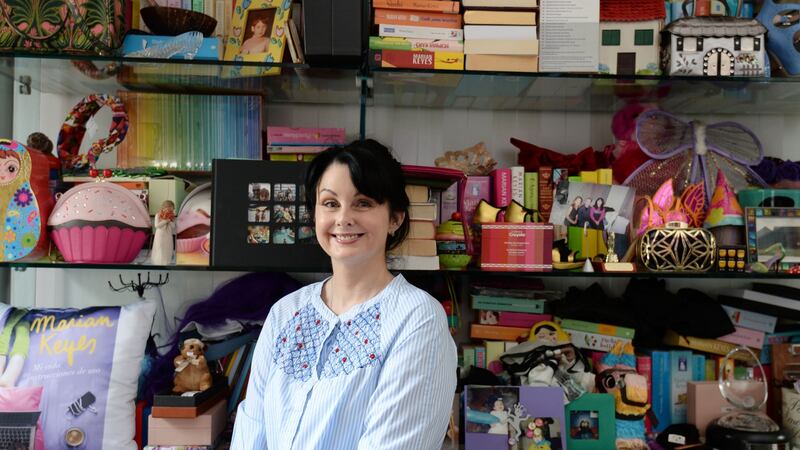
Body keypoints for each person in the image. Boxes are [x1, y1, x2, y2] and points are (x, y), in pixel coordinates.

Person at [231, 139, 457, 449]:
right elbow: (251, 430)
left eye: (363, 202)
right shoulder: (285, 312)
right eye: (330, 203)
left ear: (395, 218)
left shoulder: (417, 319)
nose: (343, 218)